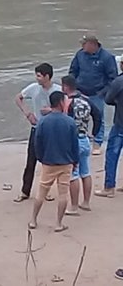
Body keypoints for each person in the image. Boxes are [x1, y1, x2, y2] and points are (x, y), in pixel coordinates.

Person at [28, 91, 79, 233]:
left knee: (42, 192)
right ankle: (58, 223)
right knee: (63, 194)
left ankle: (33, 219)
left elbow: (37, 142)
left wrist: (41, 158)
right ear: (61, 103)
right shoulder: (69, 121)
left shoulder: (43, 121)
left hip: (48, 162)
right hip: (65, 162)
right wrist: (75, 161)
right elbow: (75, 144)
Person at [14, 63, 62, 203]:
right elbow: (18, 98)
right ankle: (25, 191)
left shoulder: (57, 90)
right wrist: (28, 113)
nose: (37, 78)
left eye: (39, 76)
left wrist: (51, 110)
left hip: (52, 130)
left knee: (48, 162)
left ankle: (45, 191)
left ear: (47, 76)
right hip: (37, 128)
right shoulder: (33, 88)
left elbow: (65, 107)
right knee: (31, 161)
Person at [69, 34, 117, 155]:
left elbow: (113, 78)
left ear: (92, 44)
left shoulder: (107, 57)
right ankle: (77, 140)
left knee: (99, 118)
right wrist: (72, 87)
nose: (82, 46)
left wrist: (103, 93)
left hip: (97, 94)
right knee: (77, 117)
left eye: (84, 44)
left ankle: (97, 143)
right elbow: (73, 71)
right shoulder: (80, 55)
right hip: (80, 92)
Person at [61, 75, 102, 214]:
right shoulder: (86, 99)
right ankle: (86, 202)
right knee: (85, 172)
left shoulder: (66, 102)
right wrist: (94, 132)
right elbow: (98, 116)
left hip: (73, 141)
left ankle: (74, 206)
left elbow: (65, 122)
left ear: (66, 87)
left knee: (74, 174)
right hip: (84, 138)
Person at [95, 56, 123, 198]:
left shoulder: (118, 81)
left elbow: (108, 99)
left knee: (112, 154)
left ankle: (109, 187)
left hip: (120, 123)